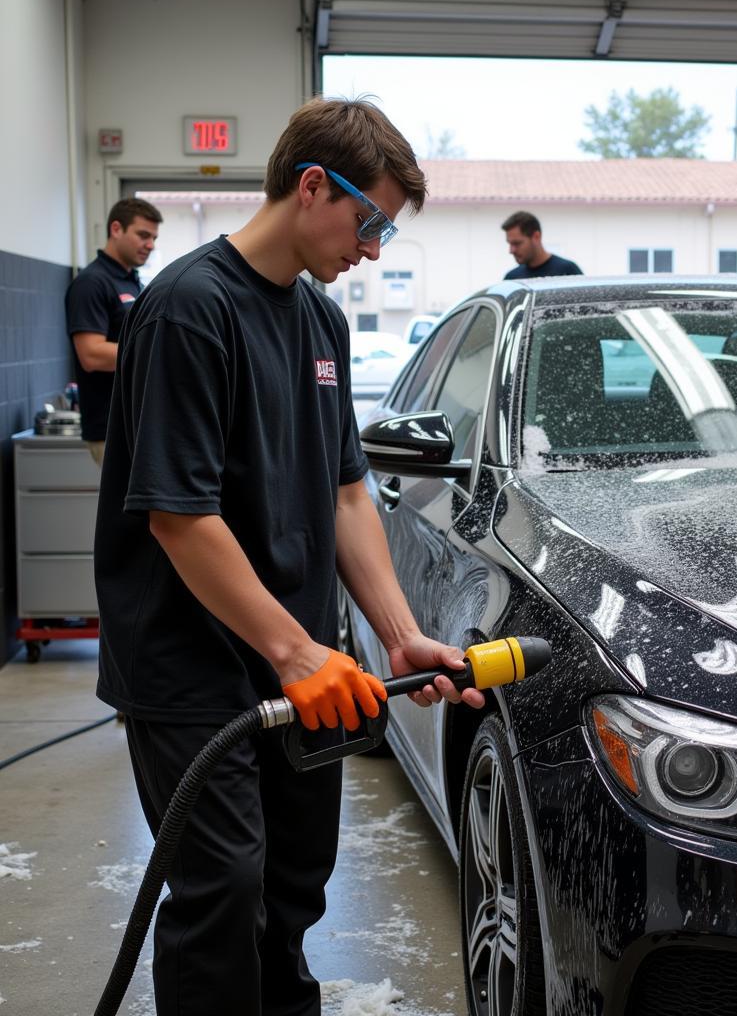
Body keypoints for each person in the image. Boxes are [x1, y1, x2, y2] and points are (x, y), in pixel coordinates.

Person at [93, 97, 485, 1016]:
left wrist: (397, 634)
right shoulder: (189, 310)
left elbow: (347, 490)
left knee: (292, 884)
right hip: (191, 668)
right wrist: (298, 652)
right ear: (314, 185)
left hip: (301, 661)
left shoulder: (320, 322)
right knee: (221, 888)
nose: (374, 250)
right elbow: (180, 519)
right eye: (372, 221)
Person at [65, 198, 162, 465]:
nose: (151, 245)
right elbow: (91, 354)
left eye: (154, 237)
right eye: (143, 235)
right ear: (116, 229)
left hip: (136, 424)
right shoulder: (91, 282)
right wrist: (158, 351)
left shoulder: (132, 281)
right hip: (110, 428)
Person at [502, 209, 582, 279]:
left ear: (536, 236)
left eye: (517, 243)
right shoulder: (511, 279)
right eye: (510, 244)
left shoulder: (568, 272)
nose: (511, 250)